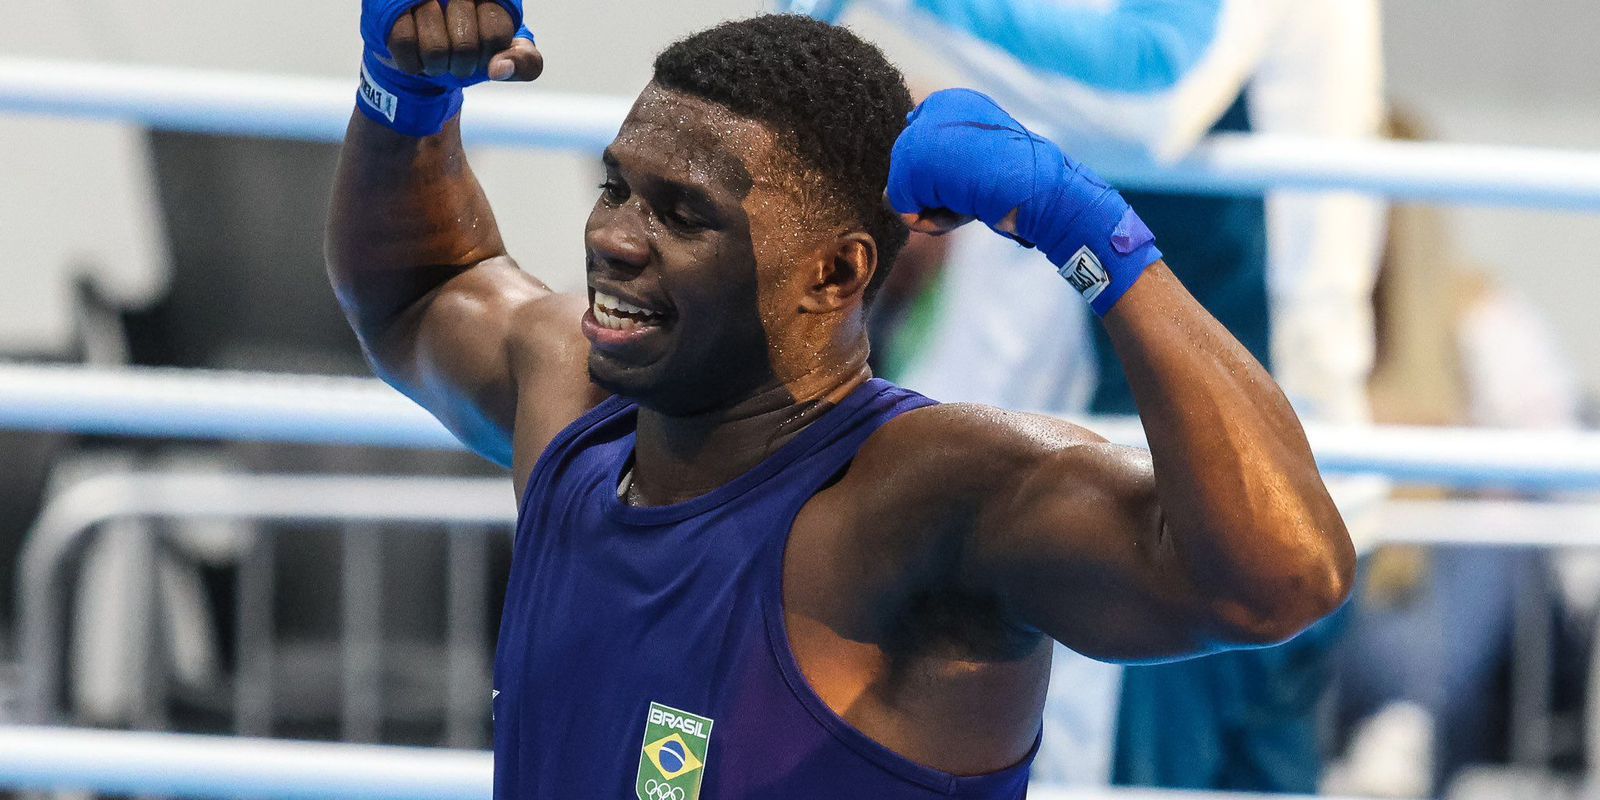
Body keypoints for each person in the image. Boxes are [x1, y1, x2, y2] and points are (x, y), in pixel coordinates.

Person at [327, 7, 1354, 798]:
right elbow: (421, 290)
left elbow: (1281, 579)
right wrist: (403, 99)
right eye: (617, 188)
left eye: (683, 213)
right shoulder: (575, 405)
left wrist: (1091, 231)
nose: (614, 237)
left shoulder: (921, 498)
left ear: (834, 274)